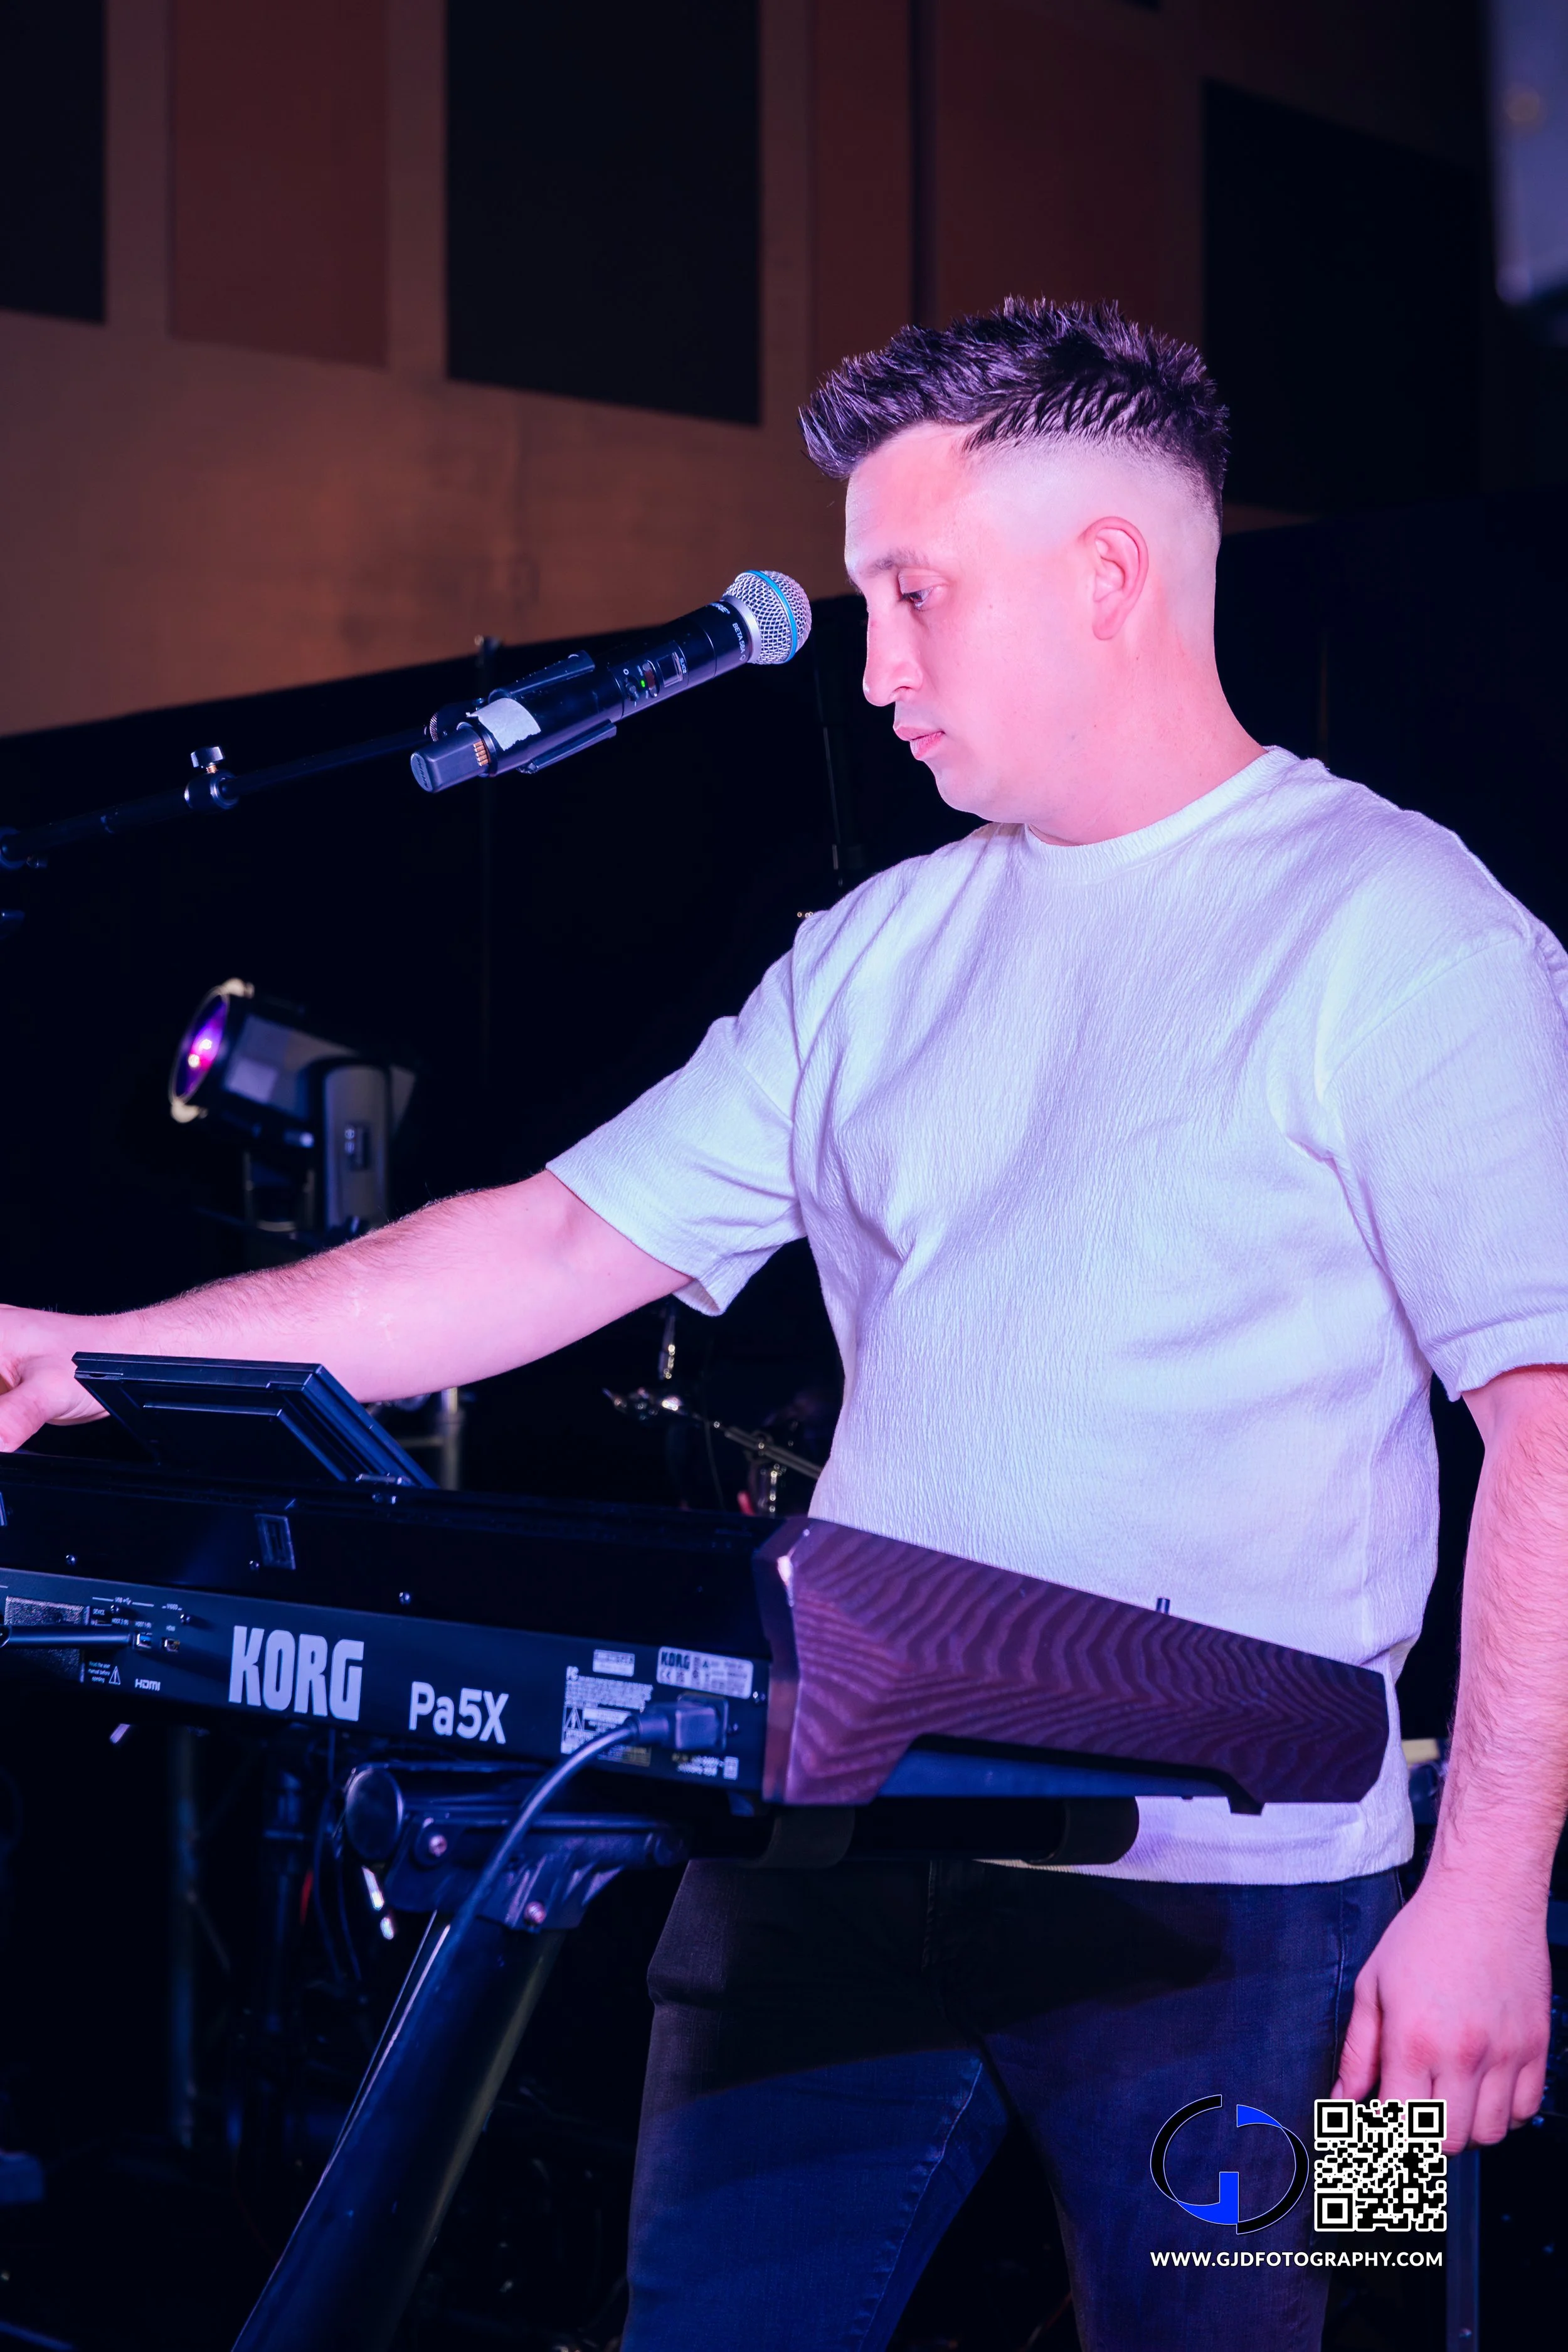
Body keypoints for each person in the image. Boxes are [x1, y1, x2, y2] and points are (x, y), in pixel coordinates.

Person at [3, 300, 1566, 2348]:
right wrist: (95, 1350)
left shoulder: (1414, 928)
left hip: (1278, 1899)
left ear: (1110, 577)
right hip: (822, 1855)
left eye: (916, 595)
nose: (877, 665)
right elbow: (558, 1240)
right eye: (865, 602)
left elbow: (1546, 1413)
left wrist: (1480, 1896)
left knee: (1349, 2334)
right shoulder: (876, 945)